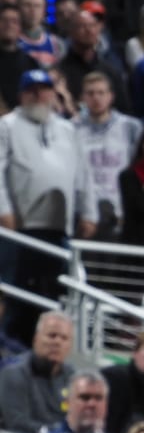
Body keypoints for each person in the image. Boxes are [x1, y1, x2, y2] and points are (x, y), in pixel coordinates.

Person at [0, 71, 97, 313]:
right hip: (19, 227)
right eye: (32, 90)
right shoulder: (7, 126)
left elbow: (83, 173)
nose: (38, 96)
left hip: (58, 226)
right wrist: (3, 209)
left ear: (53, 93)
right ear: (22, 95)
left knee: (55, 291)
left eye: (44, 90)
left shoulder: (67, 129)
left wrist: (89, 212)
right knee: (16, 289)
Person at [73, 75, 141, 241]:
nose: (96, 98)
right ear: (83, 98)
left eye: (101, 93)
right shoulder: (70, 128)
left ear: (111, 96)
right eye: (90, 93)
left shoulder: (131, 127)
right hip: (83, 213)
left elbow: (137, 170)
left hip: (120, 208)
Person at [0, 312, 74, 433]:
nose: (57, 342)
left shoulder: (74, 377)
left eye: (64, 338)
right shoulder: (13, 373)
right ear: (35, 339)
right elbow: (16, 423)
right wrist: (54, 432)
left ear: (69, 346)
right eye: (52, 335)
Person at [43, 370, 111, 433]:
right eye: (84, 397)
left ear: (106, 405)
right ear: (67, 402)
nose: (92, 404)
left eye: (98, 398)